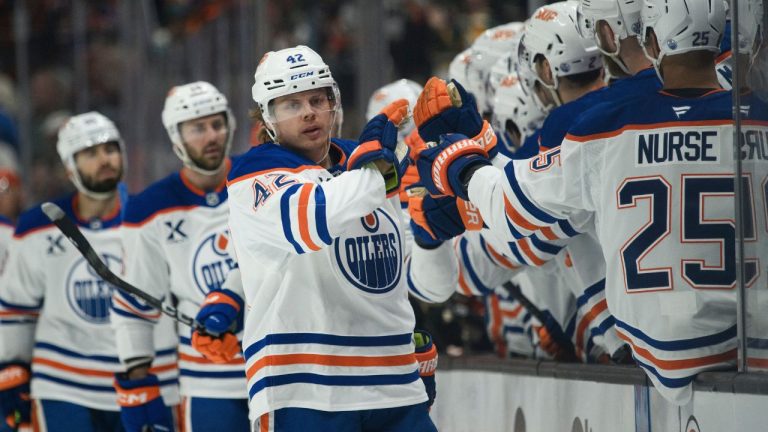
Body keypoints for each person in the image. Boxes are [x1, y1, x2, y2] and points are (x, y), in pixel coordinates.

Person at [411, 0, 751, 405]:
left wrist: (464, 167)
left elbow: (518, 220)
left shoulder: (602, 124)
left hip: (656, 355)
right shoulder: (753, 107)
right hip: (751, 339)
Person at [226, 45, 437, 431]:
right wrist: (385, 166)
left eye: (316, 99)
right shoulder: (253, 172)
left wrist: (410, 338)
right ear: (268, 118)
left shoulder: (366, 162)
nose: (308, 112)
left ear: (333, 102)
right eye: (290, 104)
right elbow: (313, 219)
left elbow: (402, 267)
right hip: (305, 389)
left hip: (396, 384)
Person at [0, 112, 179, 431]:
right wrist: (12, 367)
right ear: (70, 167)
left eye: (111, 149)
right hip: (63, 386)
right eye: (90, 154)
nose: (104, 160)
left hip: (145, 381)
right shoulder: (37, 226)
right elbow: (16, 307)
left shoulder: (153, 218)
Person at [110, 81, 250, 431]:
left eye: (217, 124)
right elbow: (134, 304)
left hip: (282, 370)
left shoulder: (259, 178)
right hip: (207, 386)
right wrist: (138, 381)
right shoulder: (149, 208)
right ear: (177, 138)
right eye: (198, 128)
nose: (211, 136)